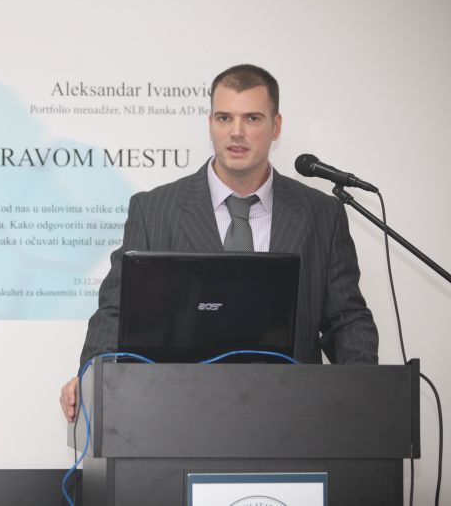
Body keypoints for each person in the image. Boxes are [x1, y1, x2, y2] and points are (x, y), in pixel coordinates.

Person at [60, 64, 378, 422]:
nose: (236, 132)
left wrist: (365, 390)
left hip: (294, 418)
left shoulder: (321, 213)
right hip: (178, 418)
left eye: (252, 118)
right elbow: (116, 312)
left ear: (275, 127)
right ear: (210, 123)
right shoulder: (154, 209)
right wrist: (93, 378)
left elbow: (346, 319)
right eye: (225, 118)